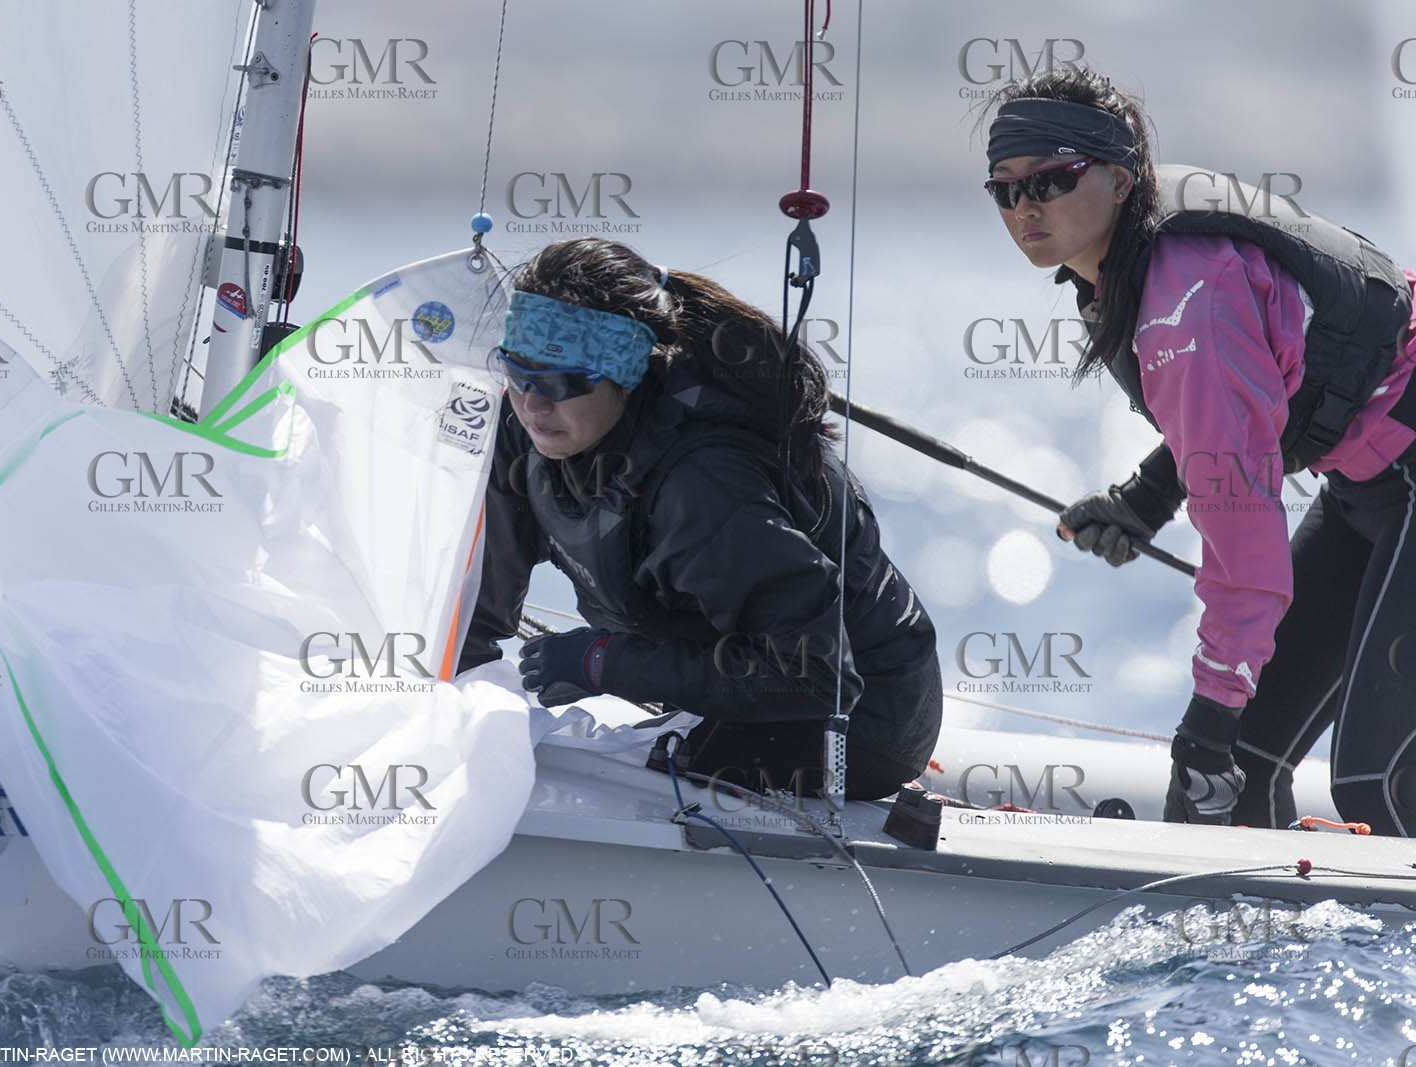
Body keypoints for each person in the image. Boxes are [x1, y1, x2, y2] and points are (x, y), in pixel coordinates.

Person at [981, 68, 1416, 833]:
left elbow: (1247, 549)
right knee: (1238, 776)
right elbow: (1247, 408)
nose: (1026, 208)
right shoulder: (1135, 265)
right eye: (1005, 189)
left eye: (1051, 180)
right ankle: (1266, 952)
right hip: (1371, 482)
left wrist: (1209, 720)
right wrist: (1146, 498)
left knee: (1377, 786)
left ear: (1119, 180)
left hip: (1401, 468)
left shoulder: (1186, 306)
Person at [457, 238, 941, 800]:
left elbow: (818, 677)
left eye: (562, 382)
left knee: (625, 767)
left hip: (855, 725)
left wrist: (605, 662)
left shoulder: (706, 484)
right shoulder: (529, 433)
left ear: (624, 373)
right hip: (718, 691)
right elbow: (478, 615)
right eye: (516, 374)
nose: (535, 404)